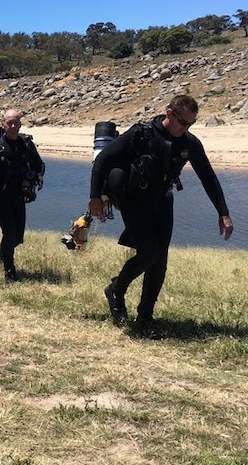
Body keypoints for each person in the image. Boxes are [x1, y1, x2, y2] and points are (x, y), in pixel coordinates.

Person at [87, 94, 233, 336]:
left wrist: (223, 213)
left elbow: (208, 177)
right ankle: (116, 289)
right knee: (148, 254)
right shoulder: (141, 134)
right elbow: (104, 158)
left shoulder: (189, 144)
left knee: (160, 262)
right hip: (134, 201)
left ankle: (145, 317)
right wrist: (94, 197)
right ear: (169, 113)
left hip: (162, 202)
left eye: (191, 124)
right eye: (183, 122)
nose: (186, 128)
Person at [0, 109, 45, 283]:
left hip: (19, 195)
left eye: (16, 122)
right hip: (0, 196)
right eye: (9, 123)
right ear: (3, 125)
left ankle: (2, 250)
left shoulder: (26, 144)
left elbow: (39, 166)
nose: (13, 126)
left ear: (20, 124)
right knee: (9, 233)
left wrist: (31, 181)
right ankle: (9, 272)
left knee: (17, 238)